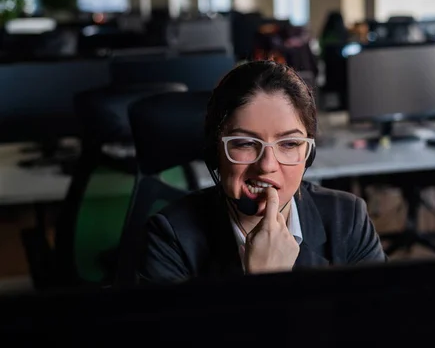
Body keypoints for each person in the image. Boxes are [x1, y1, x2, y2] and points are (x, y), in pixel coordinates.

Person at [136, 61, 385, 284]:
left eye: (289, 144)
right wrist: (263, 283)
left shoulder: (348, 220)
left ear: (308, 154)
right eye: (245, 143)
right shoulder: (169, 238)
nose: (267, 165)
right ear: (215, 152)